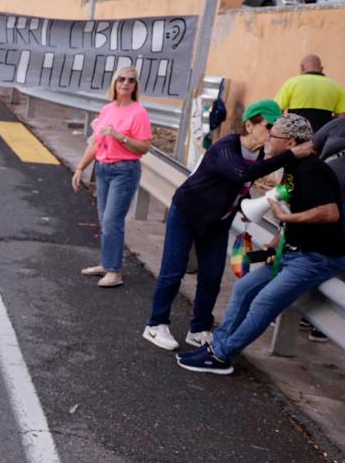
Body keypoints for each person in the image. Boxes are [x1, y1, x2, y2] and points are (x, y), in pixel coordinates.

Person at [178, 113, 345, 374]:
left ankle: (221, 355)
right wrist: (277, 241)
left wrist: (287, 218)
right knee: (243, 288)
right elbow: (296, 208)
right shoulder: (291, 168)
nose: (267, 139)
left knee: (263, 302)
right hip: (291, 251)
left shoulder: (312, 171)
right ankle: (217, 346)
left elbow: (330, 213)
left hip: (315, 257)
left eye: (272, 135)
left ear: (290, 143)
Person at [142, 100, 305, 351]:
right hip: (187, 213)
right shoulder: (226, 147)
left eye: (275, 128)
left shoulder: (260, 154)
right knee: (173, 272)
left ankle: (199, 329)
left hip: (218, 220)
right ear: (249, 125)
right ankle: (155, 324)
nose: (272, 132)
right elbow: (240, 174)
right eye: (268, 126)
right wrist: (291, 154)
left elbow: (240, 186)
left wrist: (243, 207)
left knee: (212, 276)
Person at [72, 64, 153, 288]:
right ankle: (107, 264)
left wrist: (120, 136)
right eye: (121, 79)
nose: (125, 83)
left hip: (124, 170)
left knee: (111, 220)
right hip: (103, 168)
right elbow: (96, 143)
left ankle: (115, 272)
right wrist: (80, 168)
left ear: (135, 86)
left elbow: (144, 147)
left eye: (131, 80)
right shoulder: (107, 109)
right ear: (114, 83)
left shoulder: (139, 112)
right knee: (104, 220)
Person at [275, 55, 343, 132]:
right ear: (321, 69)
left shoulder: (291, 83)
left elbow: (276, 110)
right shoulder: (336, 87)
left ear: (302, 68)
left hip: (297, 135)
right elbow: (341, 118)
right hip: (323, 136)